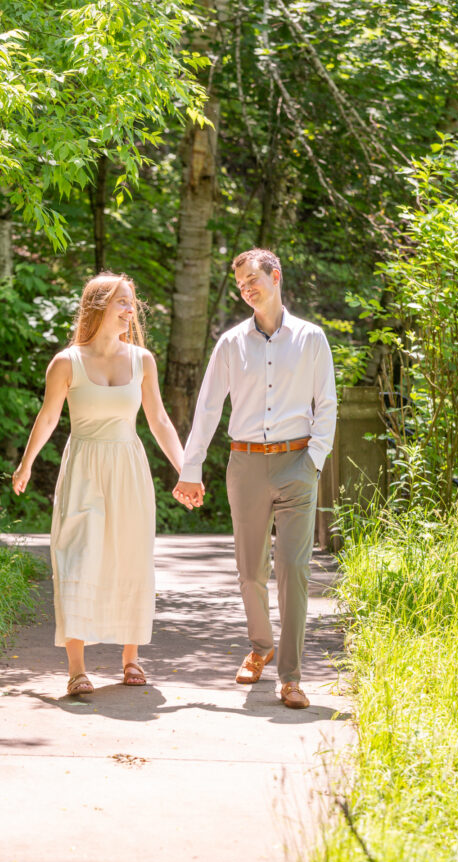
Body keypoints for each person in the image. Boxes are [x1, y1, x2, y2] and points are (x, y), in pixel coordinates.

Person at [173, 248, 337, 709]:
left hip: (295, 463)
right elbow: (208, 409)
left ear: (275, 276)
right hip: (245, 465)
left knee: (293, 569)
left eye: (253, 280)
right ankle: (260, 646)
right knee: (250, 569)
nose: (247, 289)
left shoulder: (311, 339)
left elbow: (326, 405)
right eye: (241, 284)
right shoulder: (230, 343)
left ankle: (291, 676)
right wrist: (191, 468)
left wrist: (314, 462)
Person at [12, 272, 187, 695]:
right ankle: (77, 668)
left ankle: (131, 659)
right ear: (98, 307)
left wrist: (187, 469)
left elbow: (159, 420)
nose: (131, 310)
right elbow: (49, 417)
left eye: (132, 303)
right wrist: (26, 464)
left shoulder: (142, 360)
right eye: (122, 303)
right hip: (84, 466)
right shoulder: (66, 361)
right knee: (77, 555)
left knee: (130, 555)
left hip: (128, 466)